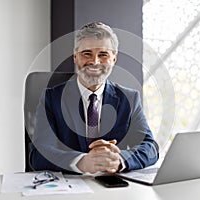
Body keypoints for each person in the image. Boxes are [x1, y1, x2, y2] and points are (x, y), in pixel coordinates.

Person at [30, 22, 159, 174]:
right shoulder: (51, 98)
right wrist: (82, 162)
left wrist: (119, 159)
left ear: (114, 59)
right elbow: (38, 155)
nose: (95, 62)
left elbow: (150, 148)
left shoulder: (129, 99)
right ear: (75, 57)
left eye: (103, 55)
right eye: (87, 54)